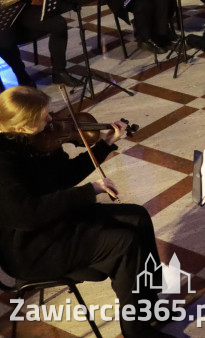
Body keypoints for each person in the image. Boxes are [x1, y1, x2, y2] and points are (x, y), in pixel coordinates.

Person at [0, 86, 166, 338]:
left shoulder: (36, 140)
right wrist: (91, 191)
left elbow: (65, 176)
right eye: (45, 117)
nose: (52, 120)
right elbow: (26, 214)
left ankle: (149, 306)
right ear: (22, 126)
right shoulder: (4, 160)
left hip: (53, 222)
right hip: (30, 247)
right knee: (124, 242)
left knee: (137, 216)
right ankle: (136, 330)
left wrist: (105, 144)